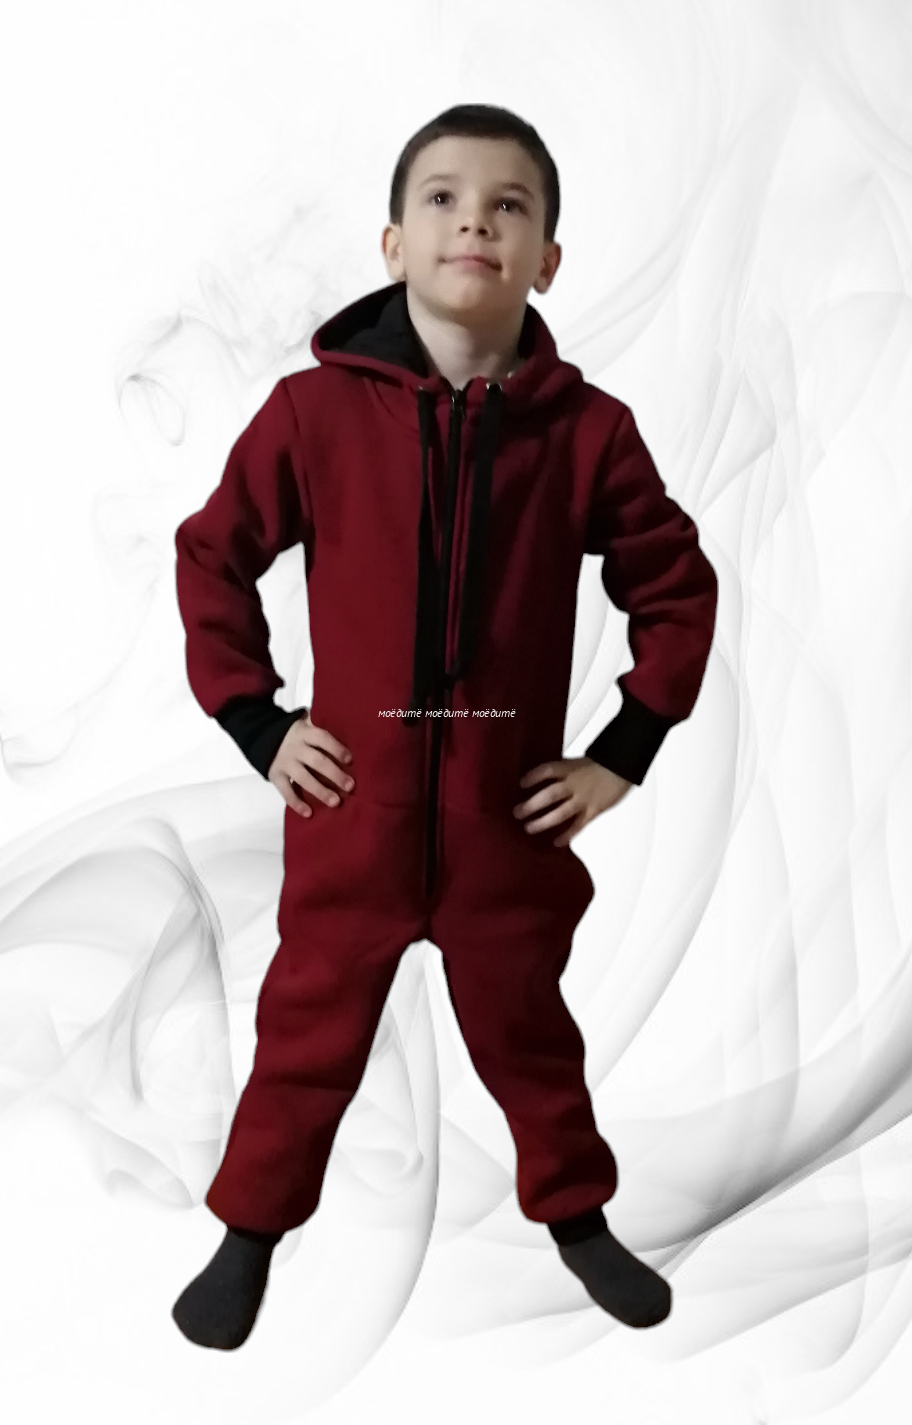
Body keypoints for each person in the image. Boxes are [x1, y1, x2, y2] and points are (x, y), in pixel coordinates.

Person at [171, 102, 718, 1350]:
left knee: (530, 1040)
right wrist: (257, 722)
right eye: (443, 198)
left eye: (508, 205)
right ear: (392, 244)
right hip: (351, 815)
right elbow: (212, 557)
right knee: (304, 1038)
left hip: (503, 821)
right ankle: (248, 1234)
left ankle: (576, 1219)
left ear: (545, 261)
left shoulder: (586, 434)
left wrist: (621, 754)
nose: (474, 220)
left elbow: (675, 587)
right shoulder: (310, 417)